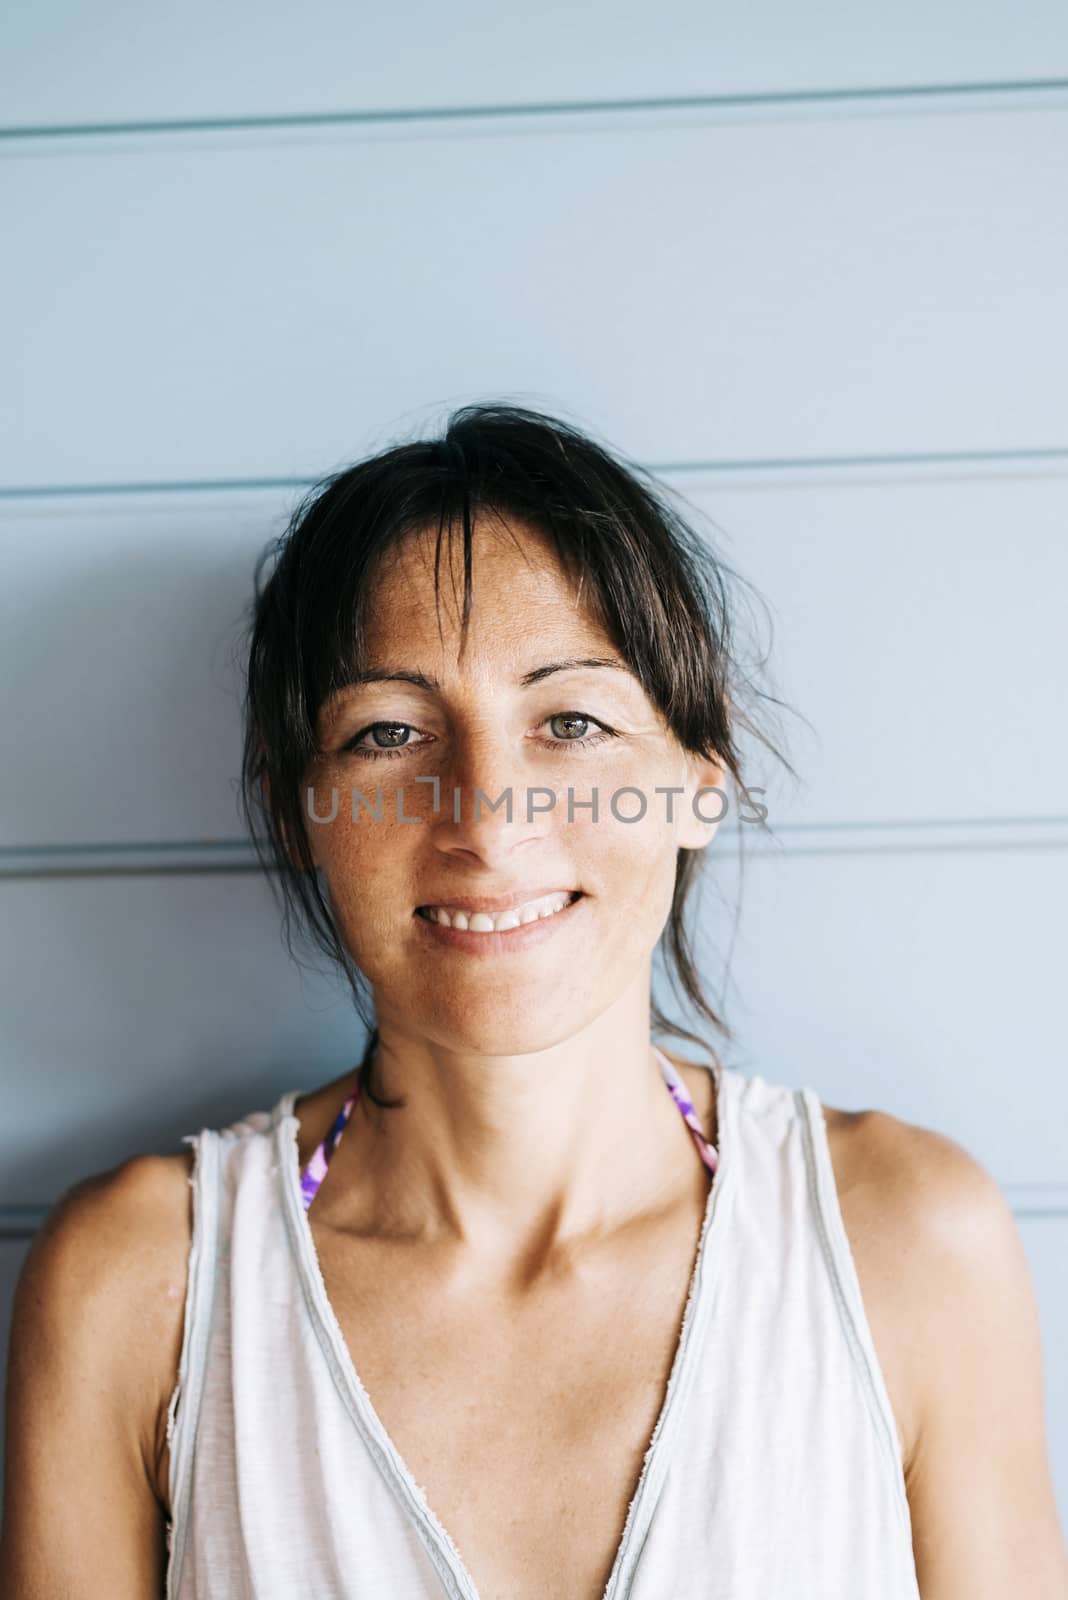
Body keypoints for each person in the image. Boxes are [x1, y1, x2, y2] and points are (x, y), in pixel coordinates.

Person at [2, 404, 1065, 1599]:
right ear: (301, 807)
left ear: (699, 783)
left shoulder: (911, 1246)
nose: (487, 818)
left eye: (571, 721)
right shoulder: (141, 1286)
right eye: (389, 732)